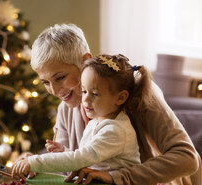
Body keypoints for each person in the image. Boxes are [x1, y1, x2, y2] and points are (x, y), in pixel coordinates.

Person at [11, 24, 202, 185]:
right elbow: (67, 164)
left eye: (60, 77)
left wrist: (116, 177)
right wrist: (36, 163)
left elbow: (186, 158)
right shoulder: (66, 108)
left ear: (85, 61)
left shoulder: (140, 92)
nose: (53, 90)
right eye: (45, 82)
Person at [12, 54, 151, 178]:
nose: (85, 100)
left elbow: (81, 158)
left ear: (120, 98)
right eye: (84, 91)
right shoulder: (96, 121)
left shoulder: (116, 130)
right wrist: (64, 151)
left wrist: (33, 162)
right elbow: (86, 157)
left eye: (95, 94)